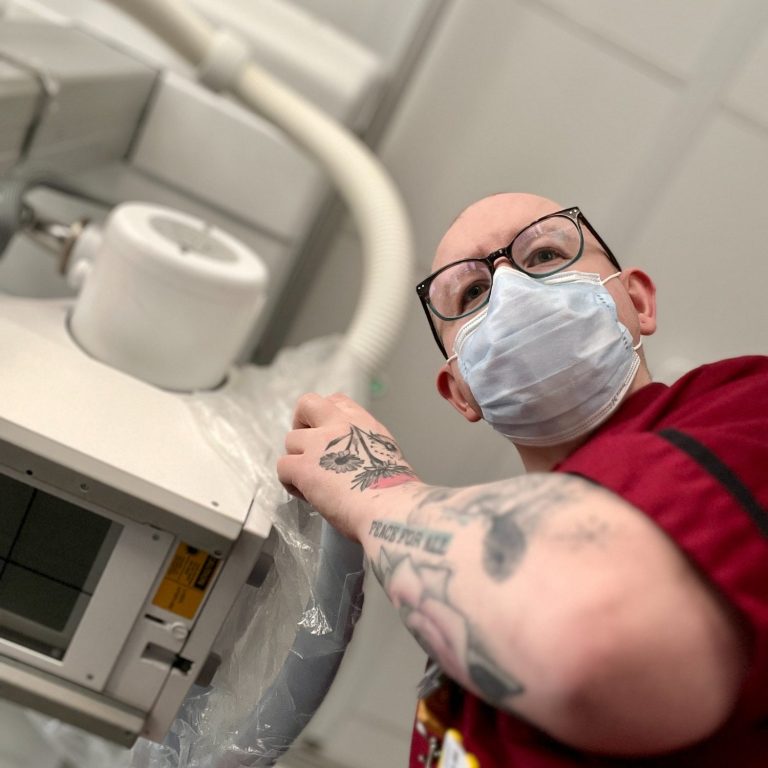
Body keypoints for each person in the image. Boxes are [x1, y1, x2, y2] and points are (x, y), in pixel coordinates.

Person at [277, 193, 768, 766]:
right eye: (473, 294)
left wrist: (374, 491)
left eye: (542, 255)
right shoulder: (477, 552)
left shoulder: (745, 406)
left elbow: (594, 637)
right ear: (461, 393)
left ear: (637, 301)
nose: (511, 290)